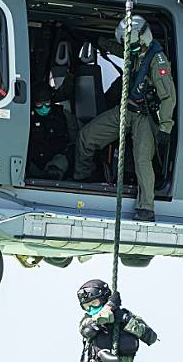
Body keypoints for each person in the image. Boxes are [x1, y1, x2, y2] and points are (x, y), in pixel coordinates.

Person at [73, 17, 176, 223]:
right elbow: (118, 49)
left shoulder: (158, 61)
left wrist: (165, 127)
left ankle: (146, 207)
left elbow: (168, 98)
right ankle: (82, 178)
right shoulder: (136, 52)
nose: (128, 49)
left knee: (142, 160)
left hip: (145, 117)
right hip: (126, 110)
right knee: (86, 137)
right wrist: (98, 40)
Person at [27, 82, 78, 180]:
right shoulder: (27, 117)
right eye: (39, 104)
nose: (43, 107)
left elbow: (74, 141)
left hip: (56, 160)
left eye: (46, 103)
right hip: (32, 162)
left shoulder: (63, 115)